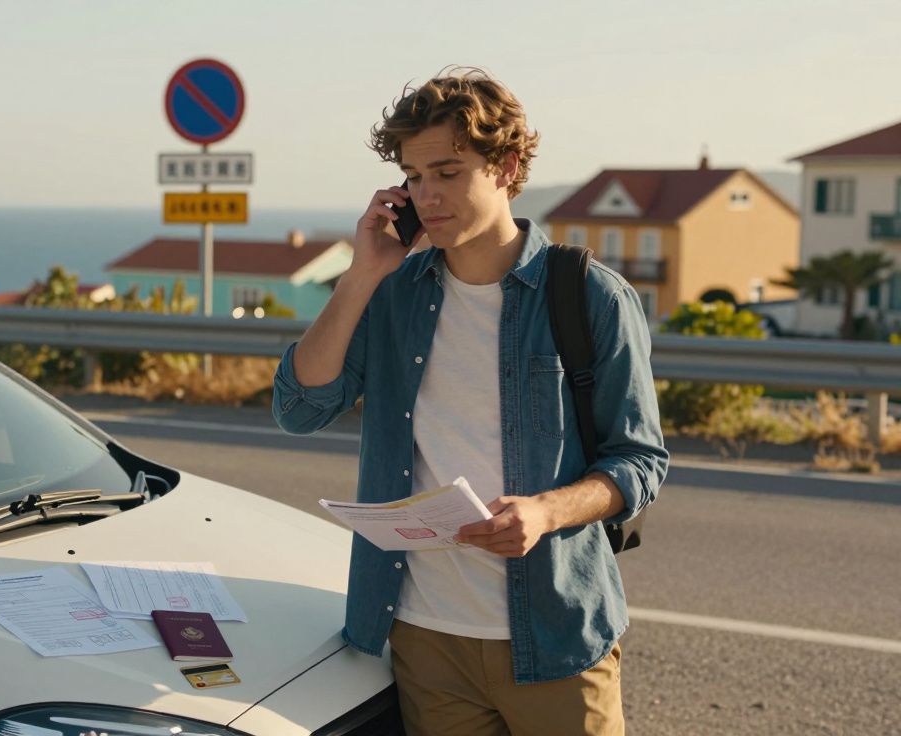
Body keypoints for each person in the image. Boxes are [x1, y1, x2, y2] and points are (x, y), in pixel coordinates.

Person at [271, 68, 668, 735]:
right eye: (414, 176)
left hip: (556, 637)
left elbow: (640, 463)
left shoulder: (591, 297)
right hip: (424, 639)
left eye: (448, 172)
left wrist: (546, 511)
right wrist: (363, 272)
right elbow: (299, 409)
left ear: (506, 167)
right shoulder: (394, 295)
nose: (427, 195)